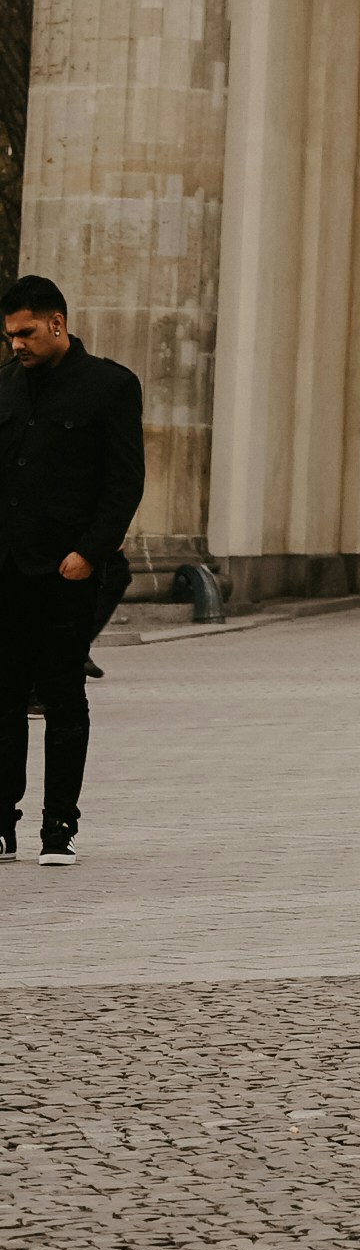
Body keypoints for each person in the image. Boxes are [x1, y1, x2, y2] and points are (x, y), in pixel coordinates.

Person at [0, 273, 145, 868]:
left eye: (26, 333)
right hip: (6, 571)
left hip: (67, 574)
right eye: (10, 336)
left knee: (63, 698)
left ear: (57, 323)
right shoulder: (4, 386)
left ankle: (58, 826)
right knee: (3, 698)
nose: (16, 345)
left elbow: (124, 481)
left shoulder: (110, 386)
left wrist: (92, 550)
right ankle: (1, 823)